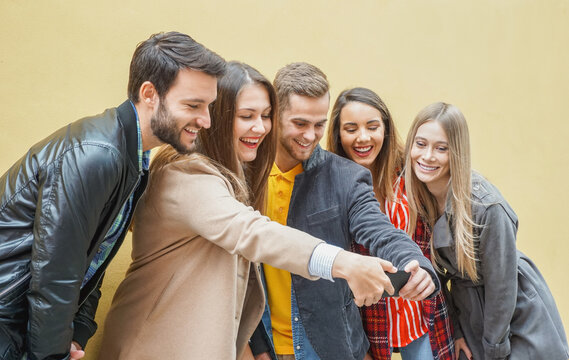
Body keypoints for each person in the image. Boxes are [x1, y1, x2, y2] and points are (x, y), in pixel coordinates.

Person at [97, 61, 400, 360]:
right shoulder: (186, 173)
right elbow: (252, 232)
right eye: (247, 116)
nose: (260, 127)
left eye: (266, 115)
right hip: (152, 344)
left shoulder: (233, 173)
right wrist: (344, 262)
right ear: (216, 116)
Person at [0, 31, 226, 360]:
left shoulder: (129, 154)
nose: (205, 120)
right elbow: (55, 274)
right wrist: (51, 356)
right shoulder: (99, 154)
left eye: (209, 106)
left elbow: (93, 253)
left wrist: (78, 332)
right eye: (193, 105)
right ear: (150, 93)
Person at [251, 63, 440, 360]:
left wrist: (415, 262)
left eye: (319, 125)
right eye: (300, 123)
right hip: (263, 344)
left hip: (327, 348)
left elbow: (380, 230)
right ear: (274, 115)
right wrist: (255, 346)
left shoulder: (346, 177)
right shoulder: (247, 176)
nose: (310, 136)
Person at [404, 102, 569, 360]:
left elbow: (501, 287)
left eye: (441, 148)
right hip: (468, 310)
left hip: (512, 311)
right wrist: (456, 330)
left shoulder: (487, 207)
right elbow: (436, 276)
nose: (427, 156)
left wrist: (495, 349)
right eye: (421, 144)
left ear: (456, 153)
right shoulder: (416, 199)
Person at [327, 87, 454, 360]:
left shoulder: (411, 175)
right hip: (369, 324)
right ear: (338, 133)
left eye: (372, 127)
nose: (363, 137)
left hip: (421, 317)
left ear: (385, 129)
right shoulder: (331, 186)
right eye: (351, 128)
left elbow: (442, 258)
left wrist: (461, 329)